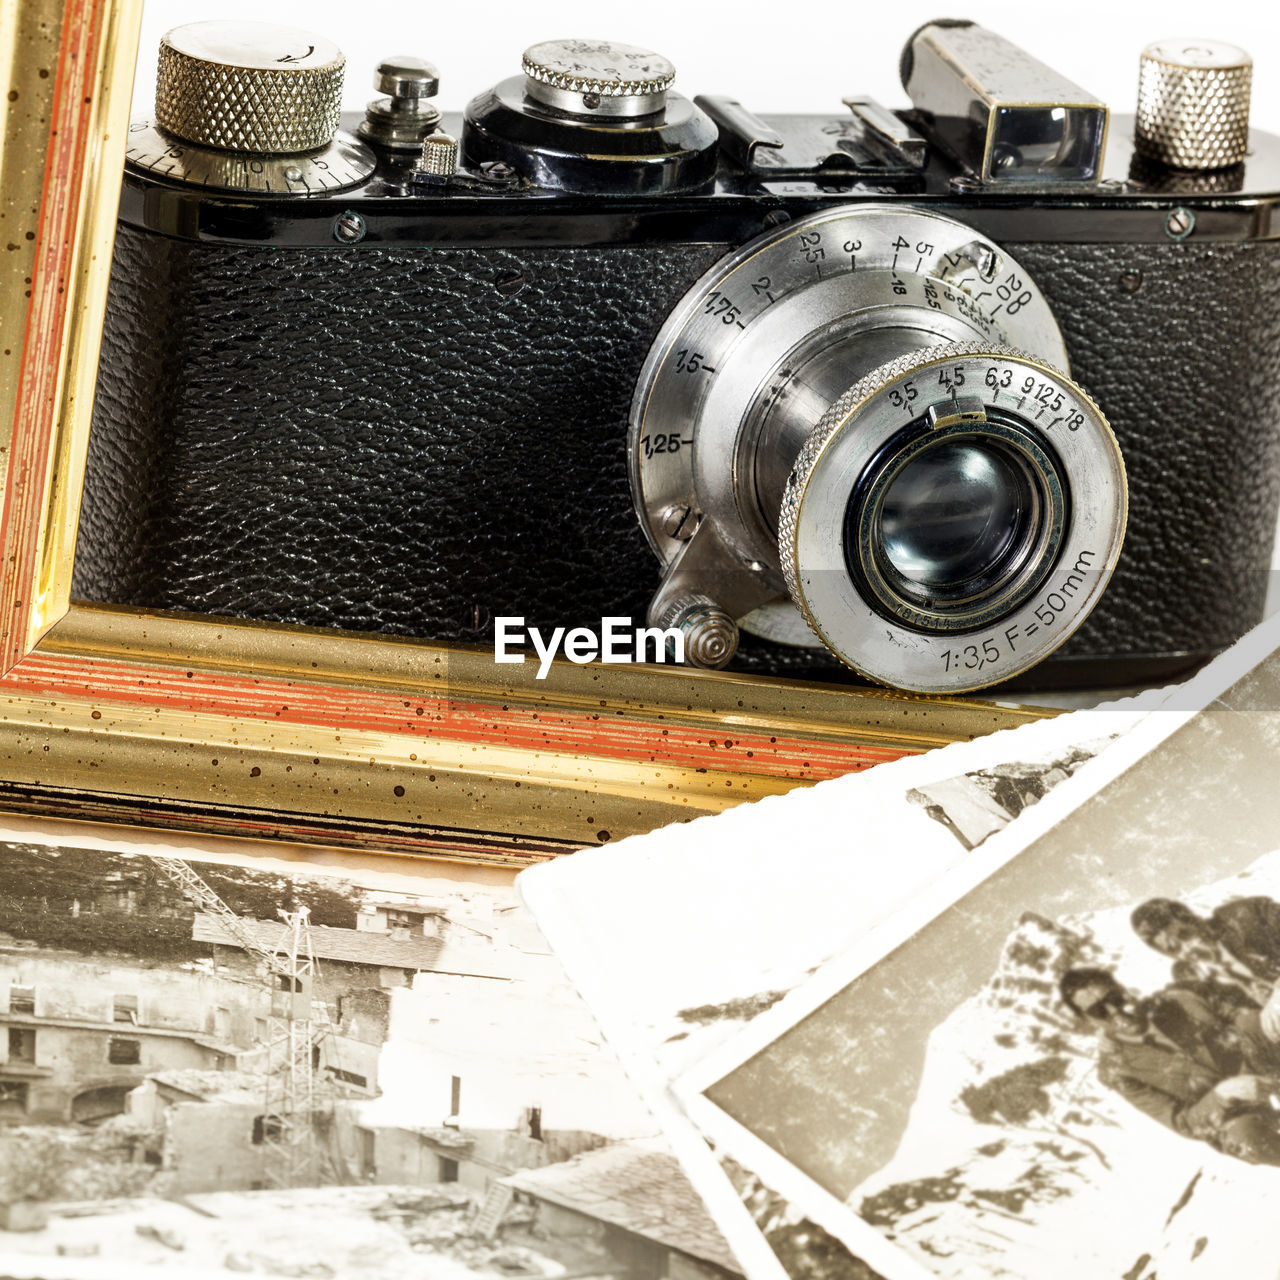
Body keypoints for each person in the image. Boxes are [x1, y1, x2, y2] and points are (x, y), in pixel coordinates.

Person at [1059, 966, 1280, 1165]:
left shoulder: (1178, 1000)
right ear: (1088, 1021)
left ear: (1122, 988)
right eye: (1099, 1011)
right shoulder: (1116, 1071)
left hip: (1261, 1069)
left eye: (1115, 998)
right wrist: (1223, 1095)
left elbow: (1244, 1020)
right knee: (1245, 1135)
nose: (1115, 1011)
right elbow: (1183, 1123)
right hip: (1232, 1114)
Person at [1131, 896, 1280, 1031]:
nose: (1187, 948)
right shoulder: (1190, 975)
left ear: (1196, 921)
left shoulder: (1247, 916)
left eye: (1185, 934)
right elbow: (1231, 1016)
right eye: (1174, 949)